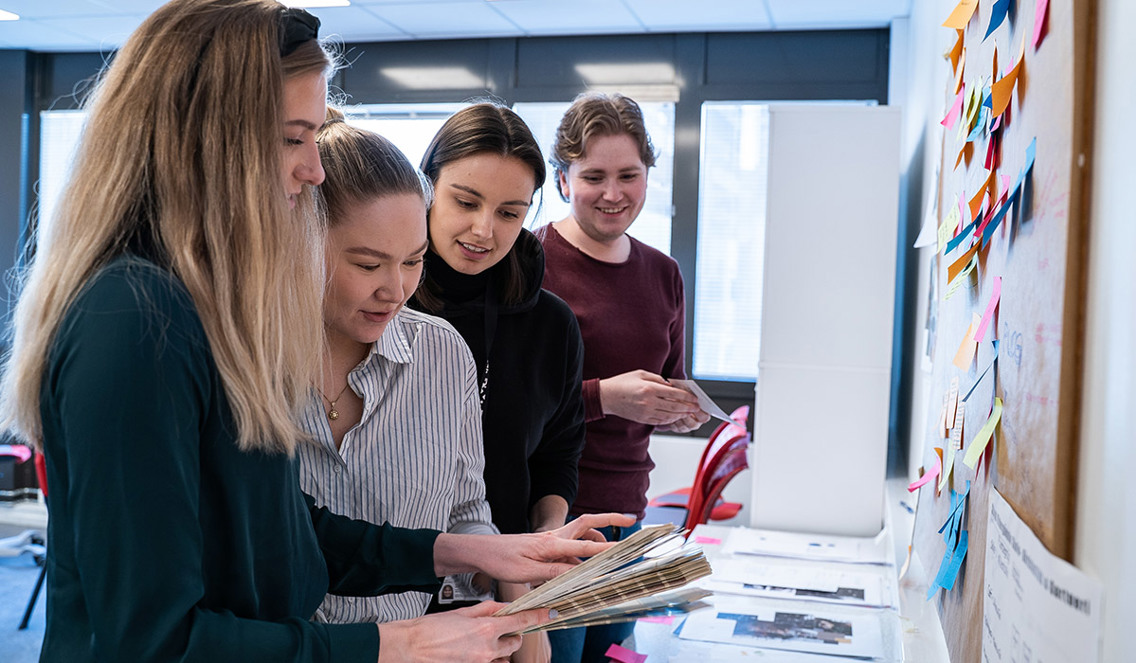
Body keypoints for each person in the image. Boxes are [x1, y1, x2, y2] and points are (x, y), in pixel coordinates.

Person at [0, 2, 630, 661]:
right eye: (292, 137)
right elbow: (153, 642)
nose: (314, 168)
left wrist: (471, 549)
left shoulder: (207, 309)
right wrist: (401, 641)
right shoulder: (135, 319)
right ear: (205, 138)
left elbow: (278, 532)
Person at [297, 109, 498, 624]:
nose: (396, 290)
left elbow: (467, 514)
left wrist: (504, 573)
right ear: (297, 243)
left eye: (413, 260)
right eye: (367, 265)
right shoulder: (243, 361)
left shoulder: (444, 355)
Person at [408, 103, 588, 662]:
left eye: (510, 212)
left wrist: (537, 558)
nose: (484, 230)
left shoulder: (551, 324)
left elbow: (558, 454)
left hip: (506, 597)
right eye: (465, 202)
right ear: (426, 185)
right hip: (389, 590)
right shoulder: (382, 305)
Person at [535, 92, 710, 663]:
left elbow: (670, 378)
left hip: (629, 517)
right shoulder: (529, 261)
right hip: (552, 520)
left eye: (628, 175)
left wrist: (678, 408)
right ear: (564, 179)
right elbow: (503, 402)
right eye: (594, 176)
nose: (613, 194)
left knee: (610, 659)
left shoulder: (664, 273)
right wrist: (606, 397)